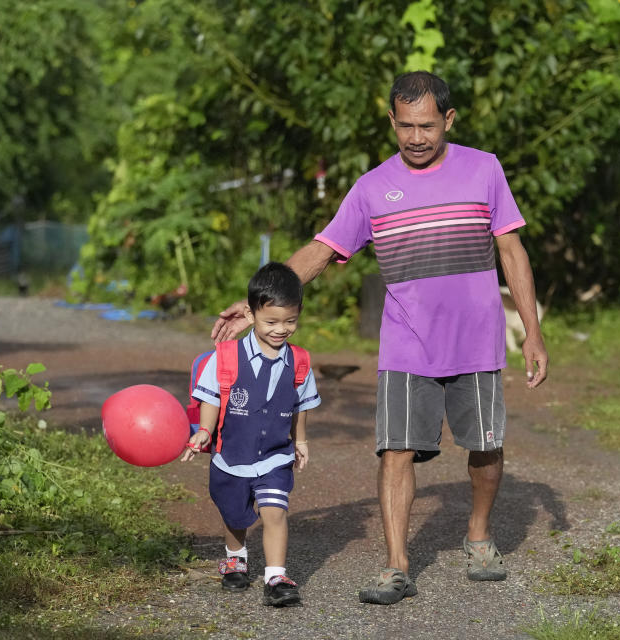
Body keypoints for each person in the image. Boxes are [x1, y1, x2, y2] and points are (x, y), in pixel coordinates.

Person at [212, 71, 547, 605]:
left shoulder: (484, 170)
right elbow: (320, 252)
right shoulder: (372, 188)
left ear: (449, 120)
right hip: (407, 344)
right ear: (392, 120)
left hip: (477, 340)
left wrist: (532, 333)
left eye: (428, 126)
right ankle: (396, 565)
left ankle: (479, 535)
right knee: (396, 451)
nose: (416, 138)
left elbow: (512, 252)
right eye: (406, 126)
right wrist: (256, 302)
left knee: (485, 448)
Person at [184, 262, 321, 607]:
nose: (281, 330)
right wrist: (203, 430)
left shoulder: (300, 362)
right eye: (271, 322)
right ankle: (235, 557)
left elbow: (301, 404)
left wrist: (300, 440)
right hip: (232, 453)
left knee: (274, 511)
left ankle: (276, 575)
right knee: (234, 514)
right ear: (250, 312)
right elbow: (212, 397)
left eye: (289, 321)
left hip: (276, 454)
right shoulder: (226, 357)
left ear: (299, 313)